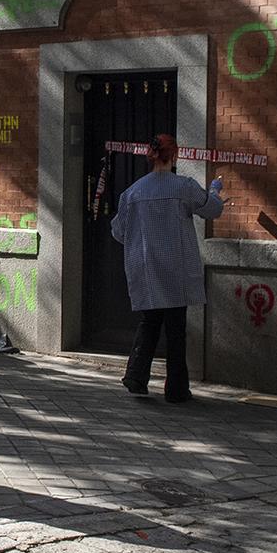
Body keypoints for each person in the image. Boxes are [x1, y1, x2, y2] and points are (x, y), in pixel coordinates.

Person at [111, 134, 225, 403]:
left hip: (146, 266)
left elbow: (118, 231)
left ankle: (136, 375)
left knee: (150, 321)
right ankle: (176, 388)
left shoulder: (133, 192)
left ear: (150, 157)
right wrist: (215, 192)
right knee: (176, 327)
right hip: (176, 265)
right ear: (175, 156)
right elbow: (211, 210)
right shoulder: (183, 187)